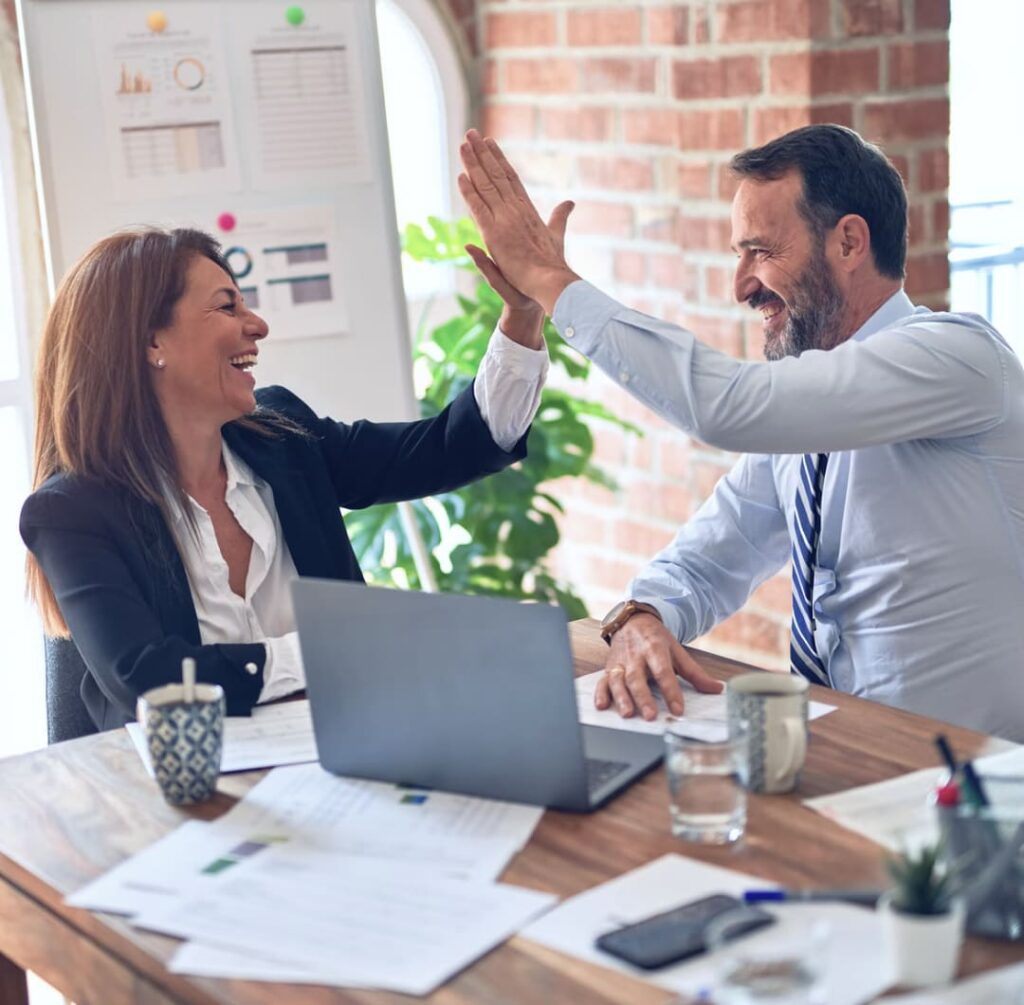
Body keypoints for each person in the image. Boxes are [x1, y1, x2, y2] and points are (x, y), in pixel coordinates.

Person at [457, 124, 1024, 740]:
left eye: (762, 251)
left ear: (850, 242)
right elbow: (706, 562)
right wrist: (642, 615)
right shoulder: (808, 418)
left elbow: (725, 407)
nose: (741, 286)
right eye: (739, 254)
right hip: (847, 759)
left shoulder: (956, 358)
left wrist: (549, 280)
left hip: (975, 783)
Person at [21, 227, 549, 730]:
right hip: (176, 797)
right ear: (151, 342)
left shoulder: (283, 438)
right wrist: (330, 651)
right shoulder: (73, 512)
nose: (257, 325)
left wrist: (522, 316)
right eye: (228, 306)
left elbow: (448, 449)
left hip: (343, 756)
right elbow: (151, 683)